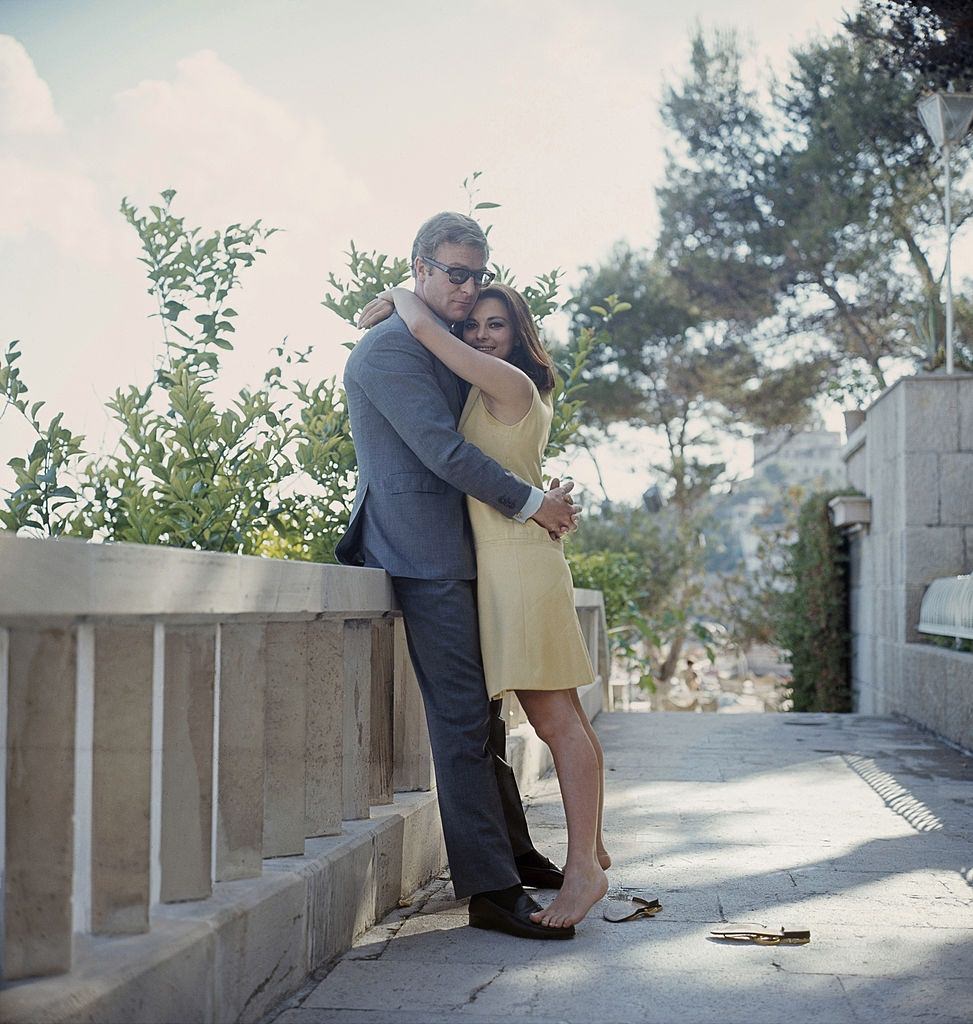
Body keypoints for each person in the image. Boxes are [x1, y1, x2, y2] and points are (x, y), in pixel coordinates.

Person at [336, 211, 580, 940]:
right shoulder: (385, 354)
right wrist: (534, 503)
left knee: (482, 715)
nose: (469, 288)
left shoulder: (429, 336)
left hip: (464, 548)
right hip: (418, 550)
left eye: (477, 274)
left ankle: (511, 850)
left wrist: (405, 302)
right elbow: (443, 452)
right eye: (454, 273)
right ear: (421, 268)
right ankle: (489, 890)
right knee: (459, 720)